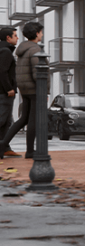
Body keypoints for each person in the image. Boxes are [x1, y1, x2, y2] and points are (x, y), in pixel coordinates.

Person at [0, 22, 45, 160]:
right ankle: (30, 151)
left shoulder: (21, 50)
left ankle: (3, 144)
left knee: (23, 119)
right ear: (36, 33)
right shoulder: (35, 50)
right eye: (41, 32)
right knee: (32, 120)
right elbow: (38, 73)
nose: (42, 34)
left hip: (24, 89)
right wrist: (43, 90)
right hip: (34, 89)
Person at [0, 27, 18, 156]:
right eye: (15, 35)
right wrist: (9, 88)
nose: (17, 38)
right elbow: (2, 71)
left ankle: (5, 148)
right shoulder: (5, 52)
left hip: (3, 92)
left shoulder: (4, 50)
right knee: (2, 120)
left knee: (6, 122)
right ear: (8, 37)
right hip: (4, 93)